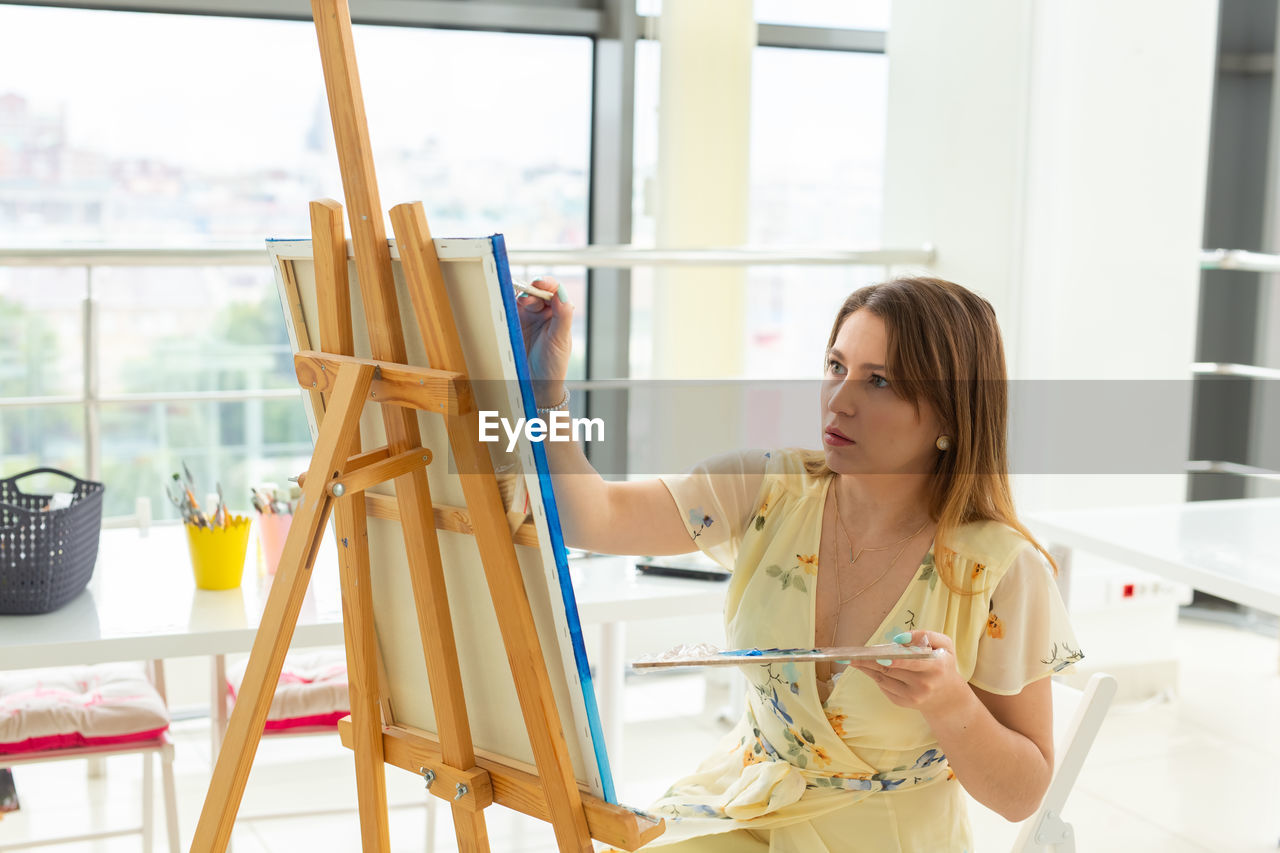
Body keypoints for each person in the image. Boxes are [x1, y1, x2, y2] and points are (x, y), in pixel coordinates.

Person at [517, 276, 1083, 853]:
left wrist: (949, 701)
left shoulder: (1001, 569)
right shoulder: (767, 488)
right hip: (744, 807)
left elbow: (1021, 796)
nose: (839, 401)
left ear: (950, 414)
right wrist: (543, 395)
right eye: (836, 367)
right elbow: (593, 517)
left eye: (879, 381)